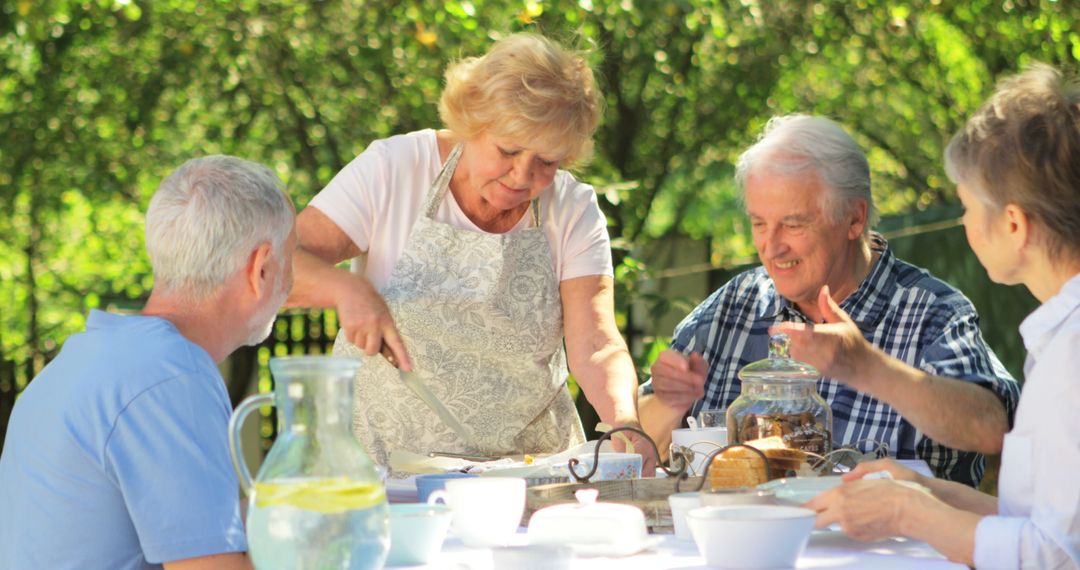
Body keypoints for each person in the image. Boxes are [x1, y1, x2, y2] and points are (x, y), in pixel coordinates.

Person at [287, 33, 650, 470]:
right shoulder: (394, 168)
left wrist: (625, 420)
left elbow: (596, 342)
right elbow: (275, 269)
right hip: (383, 468)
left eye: (546, 162)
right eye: (508, 150)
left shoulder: (571, 209)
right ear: (472, 121)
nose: (522, 175)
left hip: (528, 469)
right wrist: (347, 290)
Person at [638, 114, 1020, 486]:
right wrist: (671, 404)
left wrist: (868, 368)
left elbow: (991, 427)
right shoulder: (732, 308)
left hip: (883, 550)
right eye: (759, 224)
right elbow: (634, 444)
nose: (771, 247)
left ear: (854, 219)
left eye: (793, 224)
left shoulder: (932, 313)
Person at [805, 63, 1080, 569]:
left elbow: (1056, 556)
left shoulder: (1072, 358)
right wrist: (932, 493)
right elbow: (1041, 525)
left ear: (1014, 224)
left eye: (968, 208)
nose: (966, 225)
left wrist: (909, 511)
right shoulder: (1060, 338)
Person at [0, 155, 297, 569]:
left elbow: (195, 527)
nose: (292, 280)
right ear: (260, 269)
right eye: (292, 259)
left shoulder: (85, 360)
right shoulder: (171, 376)